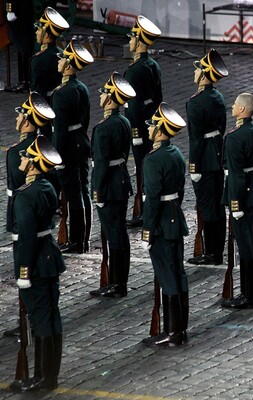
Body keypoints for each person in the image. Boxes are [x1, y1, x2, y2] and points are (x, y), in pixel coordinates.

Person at [9, 135, 65, 392]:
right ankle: (49, 375)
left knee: (40, 317)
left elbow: (27, 237)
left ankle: (43, 378)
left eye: (25, 156)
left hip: (35, 262)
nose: (21, 158)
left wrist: (23, 270)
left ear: (32, 165)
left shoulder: (25, 195)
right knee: (51, 316)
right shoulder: (46, 188)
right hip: (49, 258)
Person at [4, 92, 55, 339]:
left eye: (20, 116)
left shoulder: (17, 153)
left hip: (24, 216)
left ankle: (26, 321)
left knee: (28, 280)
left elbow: (16, 190)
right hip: (41, 216)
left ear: (27, 121)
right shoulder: (45, 146)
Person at [140, 102, 189, 347]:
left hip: (161, 222)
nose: (148, 129)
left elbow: (152, 199)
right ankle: (181, 328)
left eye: (152, 126)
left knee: (167, 274)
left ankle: (172, 332)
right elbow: (179, 190)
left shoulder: (153, 160)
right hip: (174, 216)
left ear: (160, 131)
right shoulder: (176, 153)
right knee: (177, 273)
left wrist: (147, 230)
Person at [89, 72, 136, 298]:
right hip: (121, 181)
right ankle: (120, 281)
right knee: (119, 233)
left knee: (114, 234)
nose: (100, 98)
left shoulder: (103, 128)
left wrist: (97, 190)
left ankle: (117, 284)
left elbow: (100, 164)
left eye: (103, 95)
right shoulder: (124, 121)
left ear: (110, 99)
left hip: (108, 186)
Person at [221, 93, 253, 309]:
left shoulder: (234, 137)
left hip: (241, 195)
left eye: (236, 104)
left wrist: (235, 204)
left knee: (246, 247)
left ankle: (249, 295)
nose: (233, 106)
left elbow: (235, 173)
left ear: (242, 110)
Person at [186, 49, 228, 266]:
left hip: (204, 159)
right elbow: (222, 126)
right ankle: (217, 250)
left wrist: (194, 166)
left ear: (203, 75)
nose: (195, 74)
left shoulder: (195, 102)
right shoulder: (218, 97)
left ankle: (212, 253)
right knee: (218, 204)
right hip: (218, 154)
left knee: (207, 205)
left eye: (197, 71)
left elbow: (196, 139)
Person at [52, 40, 94, 254]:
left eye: (62, 59)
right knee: (83, 190)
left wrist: (56, 157)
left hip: (67, 147)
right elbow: (85, 119)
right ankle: (84, 238)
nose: (58, 61)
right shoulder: (82, 88)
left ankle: (76, 240)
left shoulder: (61, 93)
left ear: (68, 65)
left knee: (72, 193)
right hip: (81, 142)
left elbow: (59, 129)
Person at [124, 15, 163, 228]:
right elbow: (158, 100)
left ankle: (144, 212)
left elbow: (134, 105)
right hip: (152, 124)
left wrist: (136, 133)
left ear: (139, 41)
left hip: (139, 126)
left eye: (132, 38)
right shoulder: (153, 65)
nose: (129, 42)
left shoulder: (134, 71)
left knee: (142, 169)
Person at [31, 6, 69, 141]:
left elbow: (37, 93)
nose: (36, 32)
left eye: (39, 29)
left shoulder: (39, 60)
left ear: (46, 34)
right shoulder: (61, 53)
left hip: (46, 107)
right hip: (61, 106)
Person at [4, 0, 34, 92]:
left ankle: (25, 81)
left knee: (22, 45)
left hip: (19, 12)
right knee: (24, 45)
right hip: (24, 10)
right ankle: (26, 80)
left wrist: (10, 10)